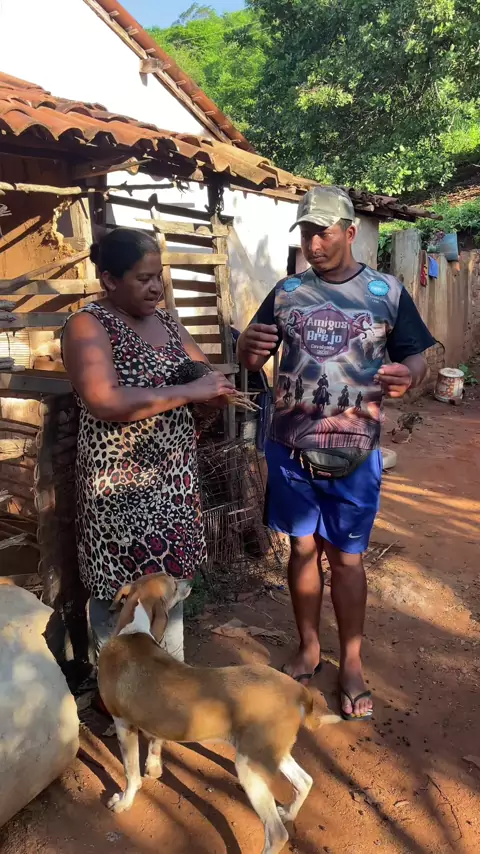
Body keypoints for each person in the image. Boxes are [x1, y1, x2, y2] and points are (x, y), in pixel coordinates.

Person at [238, 186, 435, 720]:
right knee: (302, 551)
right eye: (305, 233)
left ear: (350, 232)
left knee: (347, 561)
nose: (313, 244)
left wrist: (409, 374)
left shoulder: (385, 292)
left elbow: (417, 359)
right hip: (290, 448)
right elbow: (251, 351)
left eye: (322, 233)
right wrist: (246, 350)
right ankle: (308, 647)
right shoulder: (287, 292)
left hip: (355, 451)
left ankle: (351, 663)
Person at [62, 227, 234, 663]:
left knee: (167, 590)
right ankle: (116, 684)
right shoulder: (87, 325)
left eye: (159, 276)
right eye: (143, 278)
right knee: (119, 598)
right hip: (120, 487)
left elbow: (200, 370)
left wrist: (213, 391)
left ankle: (167, 678)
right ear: (109, 279)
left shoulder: (167, 321)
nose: (156, 287)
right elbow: (104, 401)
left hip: (173, 483)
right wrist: (190, 392)